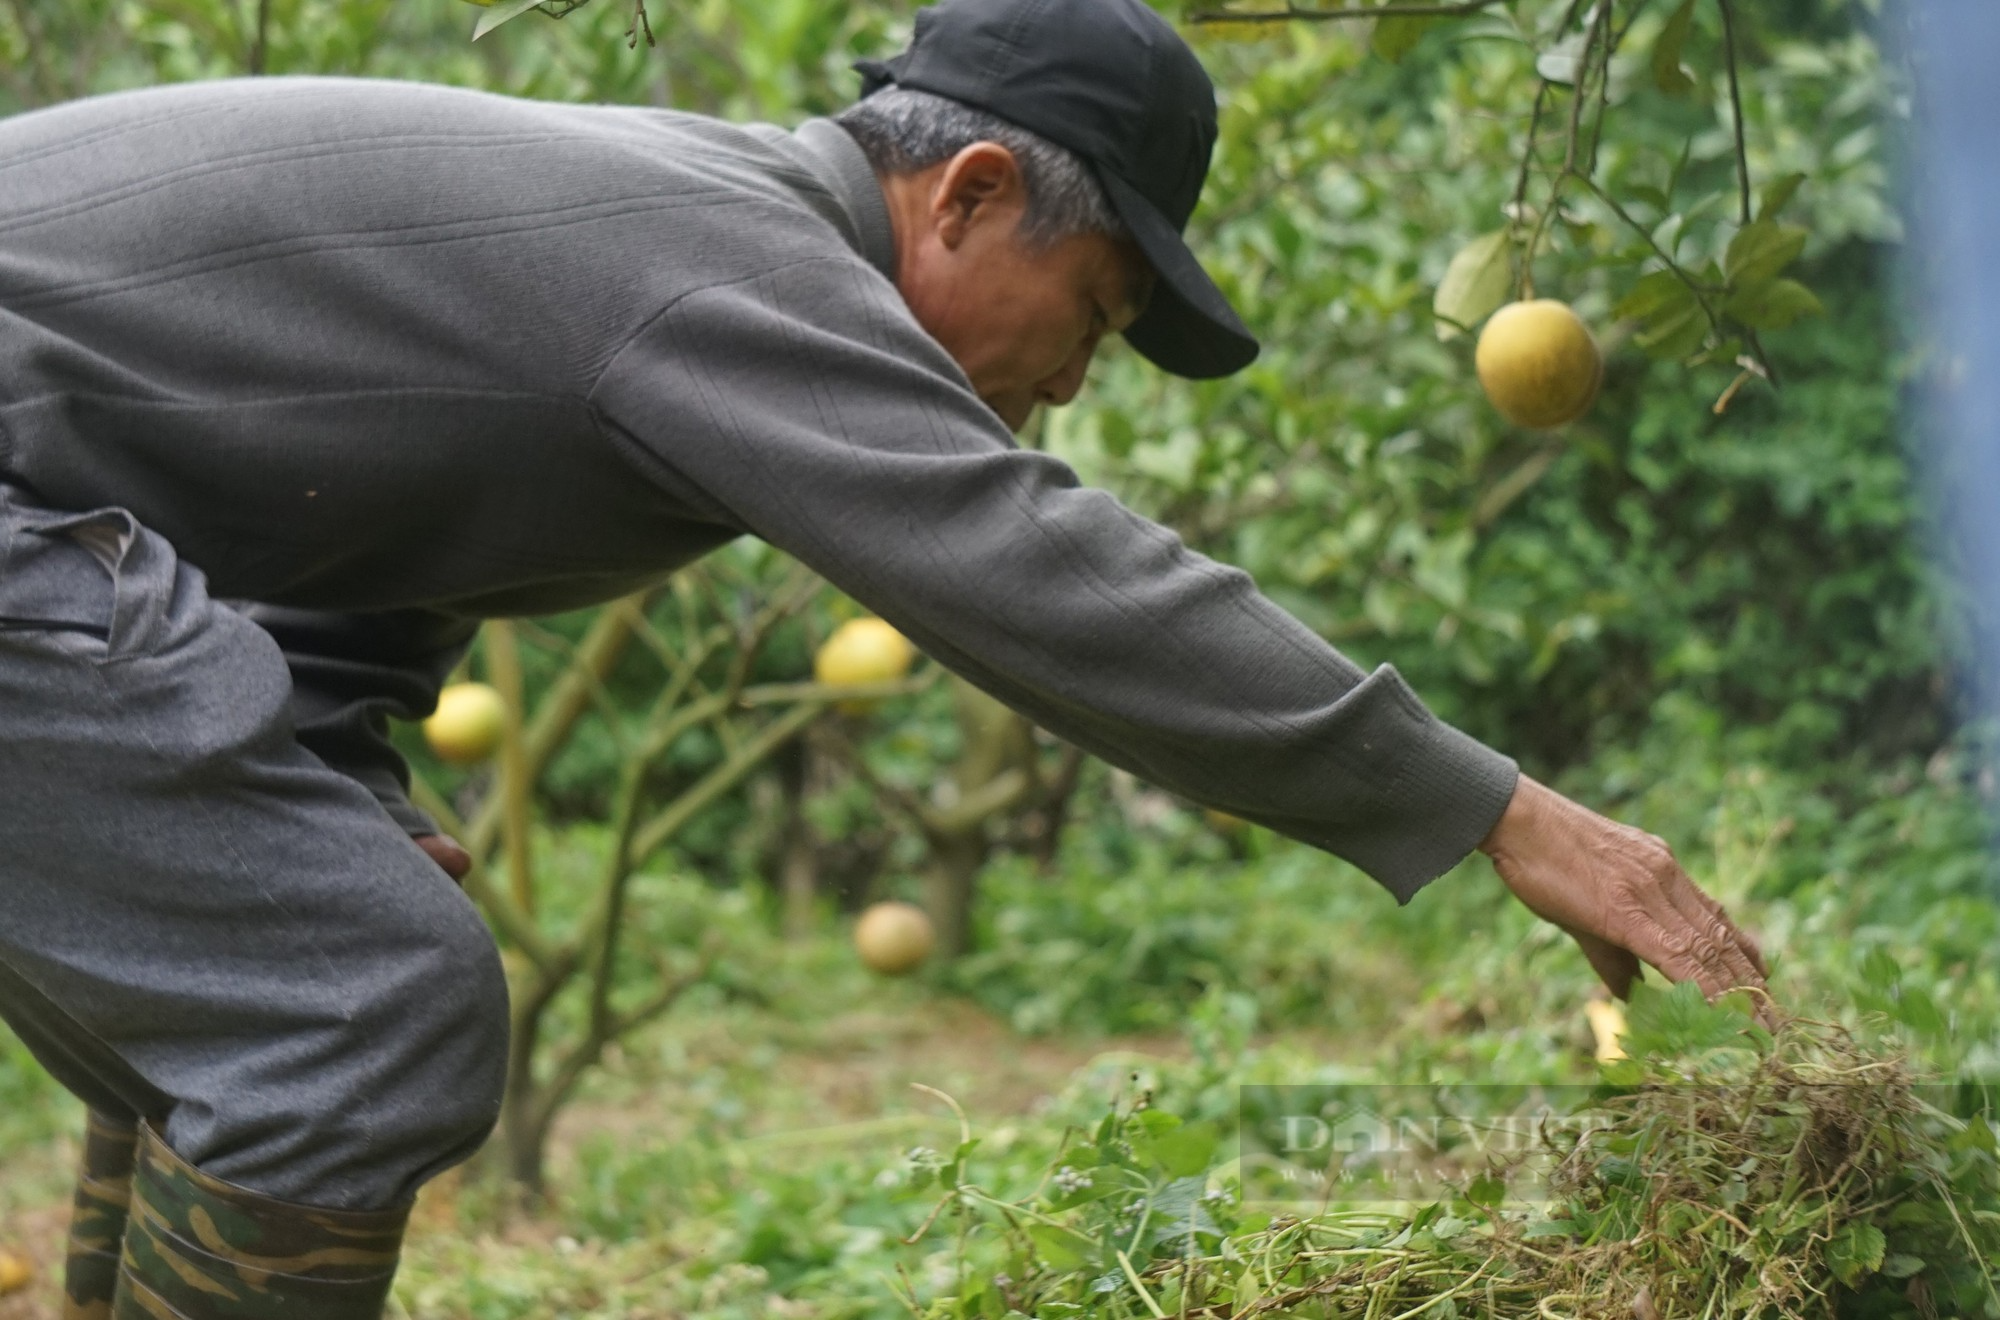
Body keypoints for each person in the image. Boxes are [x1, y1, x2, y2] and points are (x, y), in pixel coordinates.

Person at [0, 0, 1767, 1314]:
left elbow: (340, 544)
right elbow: (1030, 569)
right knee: (367, 1003)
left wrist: (341, 775)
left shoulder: (686, 245)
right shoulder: (738, 264)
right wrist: (1498, 811)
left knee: (264, 964)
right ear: (973, 192)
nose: (1073, 384)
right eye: (1094, 313)